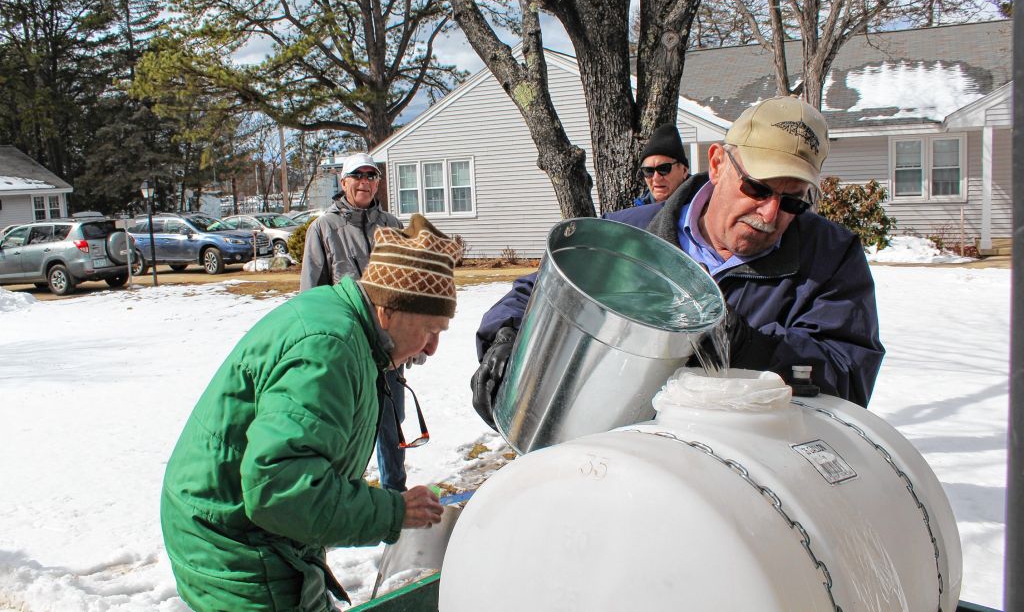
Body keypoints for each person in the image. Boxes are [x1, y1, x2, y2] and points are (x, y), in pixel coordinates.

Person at [472, 96, 884, 427]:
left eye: (792, 200)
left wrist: (747, 347)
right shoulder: (630, 234)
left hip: (735, 472)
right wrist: (505, 340)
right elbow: (539, 292)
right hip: (608, 450)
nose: (770, 213)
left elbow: (847, 375)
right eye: (758, 188)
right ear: (718, 163)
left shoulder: (830, 257)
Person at [161, 214, 460, 611]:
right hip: (234, 544)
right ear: (388, 309)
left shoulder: (354, 330)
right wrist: (393, 512)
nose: (432, 348)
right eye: (430, 329)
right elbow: (278, 490)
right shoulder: (329, 349)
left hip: (257, 531)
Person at [300, 152, 411, 494]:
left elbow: (408, 285)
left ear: (378, 183)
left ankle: (395, 496)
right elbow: (311, 297)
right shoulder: (324, 228)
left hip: (389, 348)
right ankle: (346, 499)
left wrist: (412, 339)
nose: (364, 182)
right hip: (347, 348)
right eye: (357, 176)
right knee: (348, 428)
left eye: (371, 176)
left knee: (391, 426)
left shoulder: (392, 225)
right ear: (343, 181)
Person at [633, 123, 690, 205]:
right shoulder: (638, 211)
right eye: (648, 171)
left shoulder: (704, 206)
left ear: (684, 171)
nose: (656, 178)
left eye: (663, 169)